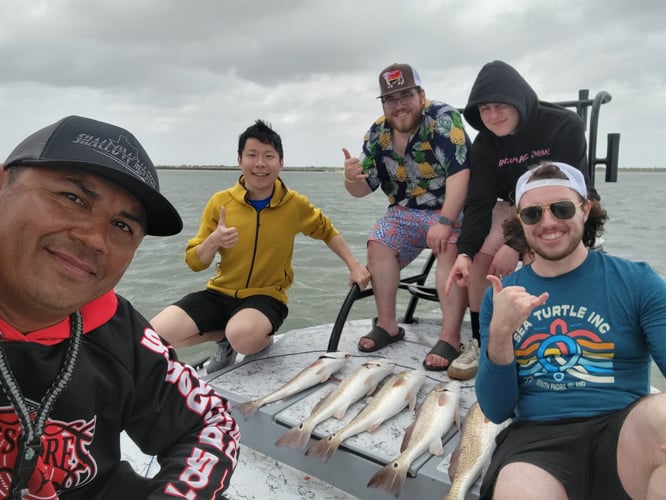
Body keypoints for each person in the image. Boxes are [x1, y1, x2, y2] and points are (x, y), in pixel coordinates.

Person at [0, 115, 240, 498]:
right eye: (73, 198)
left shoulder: (117, 327)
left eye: (123, 226)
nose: (95, 238)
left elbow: (210, 422)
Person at [476, 161, 666, 499]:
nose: (548, 223)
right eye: (533, 214)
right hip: (537, 440)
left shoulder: (638, 281)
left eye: (561, 209)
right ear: (521, 220)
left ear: (585, 209)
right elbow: (496, 410)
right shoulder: (503, 296)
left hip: (624, 428)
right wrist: (500, 335)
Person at [151, 120, 370, 374]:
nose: (260, 164)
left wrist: (354, 265)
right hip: (220, 293)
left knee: (242, 334)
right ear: (239, 160)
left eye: (269, 156)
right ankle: (223, 339)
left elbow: (327, 231)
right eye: (252, 155)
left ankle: (244, 338)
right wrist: (213, 241)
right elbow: (194, 261)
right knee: (154, 335)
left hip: (267, 297)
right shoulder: (220, 202)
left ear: (281, 163)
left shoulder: (293, 204)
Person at [445, 60, 598, 380]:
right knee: (480, 258)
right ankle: (480, 338)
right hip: (512, 205)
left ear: (520, 99)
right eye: (484, 109)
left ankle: (547, 336)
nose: (492, 115)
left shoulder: (563, 125)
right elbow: (479, 203)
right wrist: (465, 253)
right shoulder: (486, 143)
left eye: (500, 105)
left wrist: (515, 245)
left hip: (562, 201)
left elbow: (565, 192)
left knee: (538, 253)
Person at [343, 62, 472, 372]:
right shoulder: (377, 133)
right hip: (404, 212)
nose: (398, 105)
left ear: (421, 94)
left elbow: (461, 175)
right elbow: (362, 190)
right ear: (383, 104)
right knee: (378, 243)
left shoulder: (444, 119)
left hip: (451, 208)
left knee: (449, 247)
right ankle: (388, 325)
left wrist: (444, 222)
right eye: (390, 99)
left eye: (405, 96)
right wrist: (350, 178)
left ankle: (450, 337)